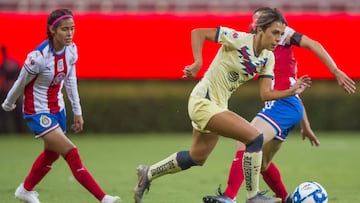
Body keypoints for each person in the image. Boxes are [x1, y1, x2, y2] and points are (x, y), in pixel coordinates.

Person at [134, 8, 312, 203]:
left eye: (281, 33)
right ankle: (253, 196)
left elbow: (265, 94)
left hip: (217, 106)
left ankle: (148, 173)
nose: (279, 38)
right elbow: (198, 33)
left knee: (196, 157)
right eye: (275, 32)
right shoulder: (238, 38)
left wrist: (291, 90)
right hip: (203, 101)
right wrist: (198, 62)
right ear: (260, 30)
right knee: (254, 138)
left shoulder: (268, 58)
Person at [202, 7, 356, 203]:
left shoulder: (282, 36)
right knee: (263, 163)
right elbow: (291, 85)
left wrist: (335, 71)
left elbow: (313, 44)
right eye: (254, 22)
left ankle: (228, 197)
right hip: (288, 106)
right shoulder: (257, 44)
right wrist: (304, 123)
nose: (256, 25)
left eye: (260, 20)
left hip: (283, 105)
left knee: (245, 141)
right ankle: (286, 199)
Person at [1, 9, 121, 203]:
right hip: (37, 111)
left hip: (57, 109)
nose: (70, 33)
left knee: (51, 155)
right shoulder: (38, 57)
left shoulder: (71, 50)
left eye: (72, 29)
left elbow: (71, 81)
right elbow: (20, 82)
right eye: (65, 29)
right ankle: (104, 198)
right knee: (71, 152)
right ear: (52, 30)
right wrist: (8, 103)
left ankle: (25, 190)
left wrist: (77, 112)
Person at [0, 45, 24, 134]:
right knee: (12, 112)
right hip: (12, 90)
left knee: (9, 112)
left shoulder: (6, 64)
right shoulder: (13, 63)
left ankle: (13, 131)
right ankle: (18, 131)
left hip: (9, 90)